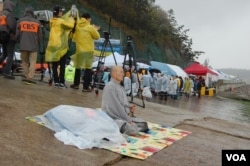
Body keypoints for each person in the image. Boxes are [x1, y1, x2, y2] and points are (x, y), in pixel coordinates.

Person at [102, 66, 148, 135]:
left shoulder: (120, 87)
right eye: (121, 72)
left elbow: (122, 104)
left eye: (123, 72)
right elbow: (115, 107)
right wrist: (128, 120)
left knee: (143, 124)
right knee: (131, 129)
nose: (123, 74)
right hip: (112, 118)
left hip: (122, 117)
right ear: (113, 74)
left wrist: (129, 108)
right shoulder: (110, 87)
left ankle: (125, 125)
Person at [45, 5, 75, 88]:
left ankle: (56, 81)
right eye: (61, 11)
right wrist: (72, 18)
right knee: (62, 64)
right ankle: (61, 82)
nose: (62, 13)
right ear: (58, 13)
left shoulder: (51, 21)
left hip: (52, 45)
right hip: (60, 46)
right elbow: (70, 26)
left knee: (54, 65)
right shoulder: (60, 22)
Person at [70, 13, 100, 92]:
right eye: (90, 19)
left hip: (79, 50)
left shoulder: (77, 27)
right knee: (88, 68)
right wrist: (95, 29)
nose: (90, 20)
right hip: (88, 50)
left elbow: (73, 37)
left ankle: (76, 84)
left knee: (78, 67)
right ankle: (85, 87)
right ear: (87, 18)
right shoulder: (90, 27)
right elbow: (97, 37)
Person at [16, 6, 42, 84]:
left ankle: (26, 75)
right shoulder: (37, 22)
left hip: (23, 45)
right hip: (33, 46)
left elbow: (17, 34)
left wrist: (19, 42)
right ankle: (30, 77)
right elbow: (39, 36)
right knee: (33, 62)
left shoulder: (20, 21)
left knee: (24, 61)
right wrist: (37, 43)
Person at [0, 0, 17, 79]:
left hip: (2, 36)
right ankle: (7, 72)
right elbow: (12, 26)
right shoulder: (8, 14)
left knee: (4, 54)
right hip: (9, 37)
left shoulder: (1, 14)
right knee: (10, 54)